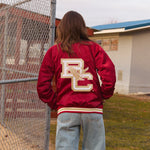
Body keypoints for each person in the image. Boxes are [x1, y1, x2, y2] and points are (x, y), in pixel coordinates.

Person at [37, 11, 116, 150]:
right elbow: (108, 72)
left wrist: (56, 102)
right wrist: (104, 94)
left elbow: (43, 85)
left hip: (67, 108)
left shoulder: (54, 51)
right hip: (92, 108)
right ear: (82, 28)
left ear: (61, 28)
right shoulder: (95, 48)